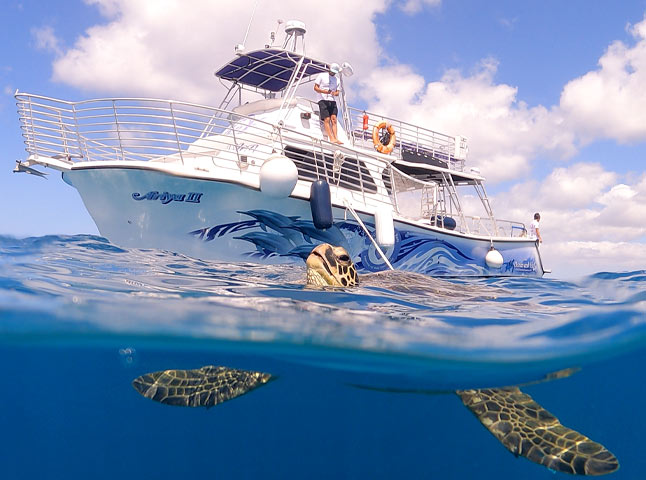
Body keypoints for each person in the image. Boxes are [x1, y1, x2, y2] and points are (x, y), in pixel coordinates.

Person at [314, 63, 342, 144]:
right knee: (327, 119)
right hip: (322, 99)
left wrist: (334, 93)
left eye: (334, 72)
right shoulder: (322, 75)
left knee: (334, 119)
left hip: (332, 100)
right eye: (332, 71)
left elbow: (337, 92)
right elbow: (315, 88)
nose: (333, 73)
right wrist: (324, 91)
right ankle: (331, 138)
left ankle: (336, 138)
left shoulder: (337, 80)